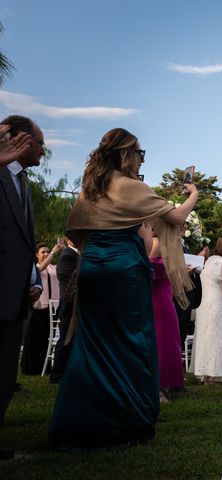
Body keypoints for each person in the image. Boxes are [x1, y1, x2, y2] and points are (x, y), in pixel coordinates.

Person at [49, 128, 198, 449]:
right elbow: (176, 216)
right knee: (131, 343)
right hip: (124, 272)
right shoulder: (131, 187)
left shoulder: (91, 189)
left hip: (91, 270)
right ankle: (126, 419)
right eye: (140, 153)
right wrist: (193, 194)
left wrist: (99, 247)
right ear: (125, 154)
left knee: (93, 344)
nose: (141, 159)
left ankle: (81, 420)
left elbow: (74, 232)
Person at [0, 116, 44, 461]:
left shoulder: (22, 181)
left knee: (3, 372)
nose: (43, 150)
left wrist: (33, 280)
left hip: (16, 296)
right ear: (15, 138)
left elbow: (23, 242)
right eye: (38, 143)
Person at [191, 237, 222, 384]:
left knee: (206, 337)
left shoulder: (209, 261)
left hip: (204, 305)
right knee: (218, 337)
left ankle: (204, 372)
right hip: (218, 306)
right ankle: (216, 374)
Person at [149, 235, 185, 401]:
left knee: (170, 340)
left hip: (165, 293)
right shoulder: (156, 242)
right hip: (157, 297)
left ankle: (169, 384)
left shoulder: (166, 243)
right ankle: (158, 388)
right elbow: (148, 267)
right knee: (163, 342)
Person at [21, 241, 62, 375]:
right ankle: (30, 367)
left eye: (47, 251)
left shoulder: (54, 267)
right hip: (39, 306)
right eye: (43, 252)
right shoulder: (37, 266)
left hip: (53, 308)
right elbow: (40, 269)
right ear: (36, 255)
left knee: (47, 338)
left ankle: (45, 366)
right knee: (34, 338)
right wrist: (53, 252)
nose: (45, 254)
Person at [49, 237, 78, 384]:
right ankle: (56, 375)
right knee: (65, 340)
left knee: (71, 341)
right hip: (69, 305)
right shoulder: (67, 255)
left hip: (76, 305)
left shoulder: (77, 255)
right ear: (67, 239)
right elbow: (70, 281)